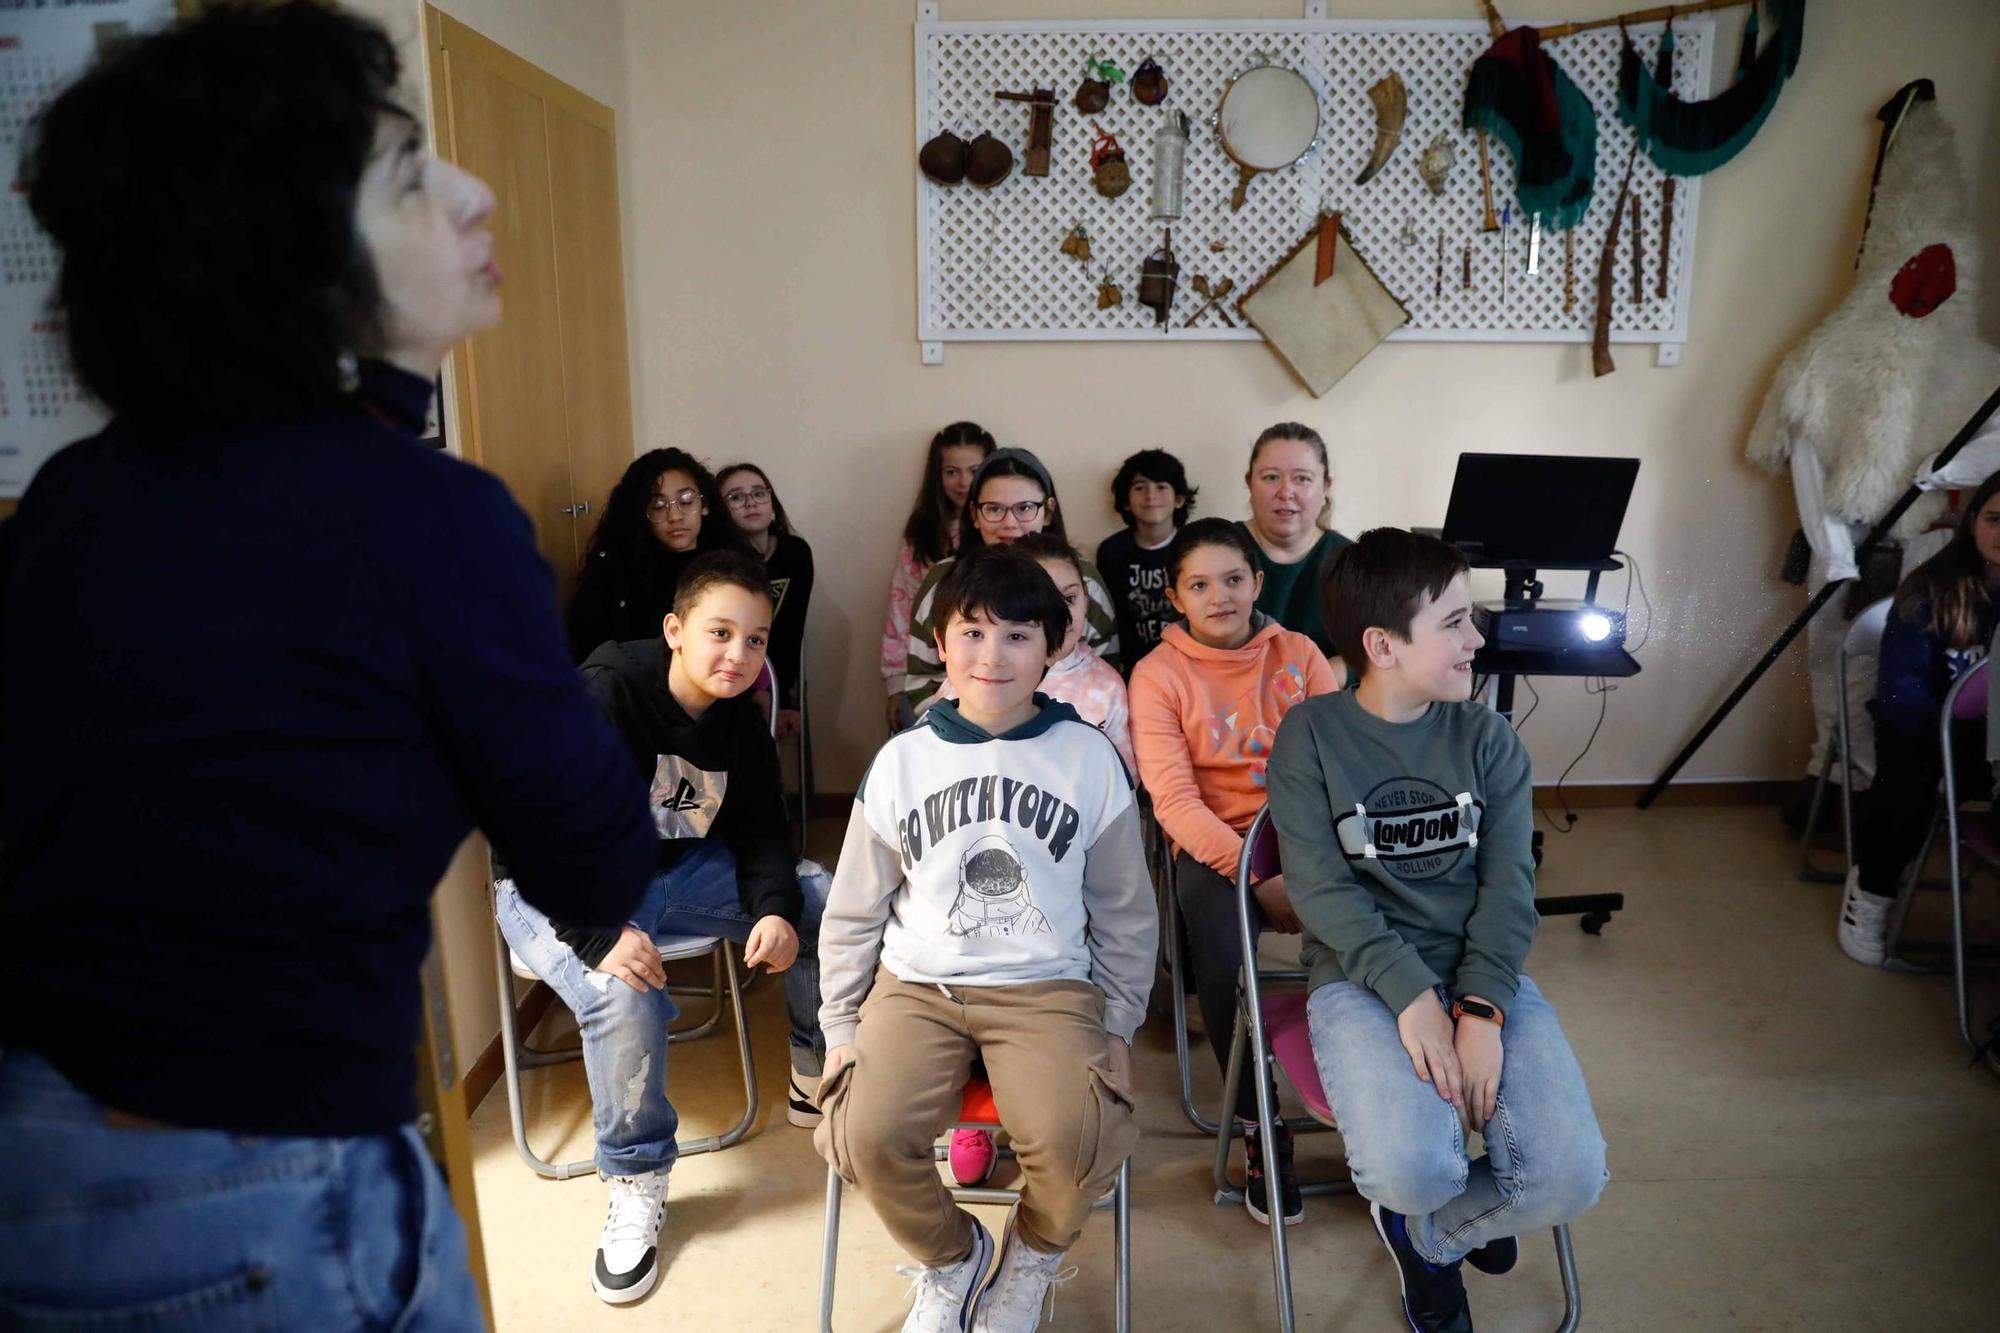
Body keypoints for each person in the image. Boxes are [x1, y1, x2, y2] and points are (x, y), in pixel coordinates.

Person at [0, 4, 656, 1325]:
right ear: (290, 260)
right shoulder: (428, 518)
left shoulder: (74, 493)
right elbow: (594, 863)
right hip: (243, 1187)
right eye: (412, 173)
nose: (474, 195)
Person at [1267, 528, 1607, 1333]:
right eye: (1454, 621)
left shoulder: (1488, 737)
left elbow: (1509, 886)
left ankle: (1430, 1240)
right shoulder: (1310, 735)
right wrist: (1414, 997)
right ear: (1382, 645)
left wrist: (1482, 1006)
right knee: (1416, 1167)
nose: (1478, 638)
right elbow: (1319, 891)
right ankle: (1424, 1213)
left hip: (1479, 972)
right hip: (1360, 980)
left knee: (1570, 1179)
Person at [814, 544, 1156, 1333]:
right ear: (941, 646)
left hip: (1047, 986)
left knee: (1080, 1135)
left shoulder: (1090, 759)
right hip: (919, 986)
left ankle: (1029, 1260)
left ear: (1053, 646)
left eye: (1016, 635)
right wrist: (838, 1026)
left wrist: (1119, 1021)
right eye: (971, 632)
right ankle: (952, 1258)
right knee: (863, 1130)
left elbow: (1127, 910)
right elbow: (855, 910)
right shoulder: (901, 761)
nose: (991, 655)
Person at [499, 552, 827, 1304]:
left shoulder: (739, 720)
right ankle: (637, 1178)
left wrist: (774, 908)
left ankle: (812, 1072)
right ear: (675, 629)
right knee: (621, 991)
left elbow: (761, 834)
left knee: (819, 896)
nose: (739, 655)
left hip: (671, 871)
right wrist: (597, 933)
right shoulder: (606, 693)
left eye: (756, 639)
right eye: (720, 632)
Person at [1128, 518, 1338, 1225]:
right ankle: (1258, 1124)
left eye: (1233, 578)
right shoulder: (1159, 674)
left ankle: (1371, 1090)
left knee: (1378, 919)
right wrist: (1255, 875)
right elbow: (1175, 801)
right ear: (1175, 595)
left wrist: (1301, 865)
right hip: (1217, 848)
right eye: (1199, 584)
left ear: (1256, 581)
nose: (1219, 595)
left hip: (1306, 835)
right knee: (1219, 947)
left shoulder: (1300, 653)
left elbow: (1333, 772)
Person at [932, 531, 1134, 1191]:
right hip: (961, 945)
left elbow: (1113, 837)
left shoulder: (1096, 709)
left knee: (1071, 1125)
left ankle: (1034, 1108)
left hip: (1055, 923)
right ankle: (980, 1097)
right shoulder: (948, 711)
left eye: (1068, 601)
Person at [1837, 472, 2000, 965]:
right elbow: (1901, 696)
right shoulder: (1929, 591)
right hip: (1926, 730)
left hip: (1995, 742)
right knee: (1906, 787)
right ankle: (1870, 892)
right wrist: (1957, 733)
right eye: (1996, 519)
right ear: (1973, 523)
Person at [901, 448, 1119, 717]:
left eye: (1024, 508)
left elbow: (1106, 665)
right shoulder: (944, 580)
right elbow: (920, 682)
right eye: (994, 509)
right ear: (974, 514)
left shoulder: (1081, 581)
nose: (1010, 523)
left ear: (1048, 511)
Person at [567, 447, 741, 662]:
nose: (675, 516)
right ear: (641, 513)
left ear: (704, 505)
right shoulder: (615, 573)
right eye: (658, 506)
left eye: (686, 501)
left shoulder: (731, 566)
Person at [883, 421, 995, 733]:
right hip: (931, 670)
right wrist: (895, 684)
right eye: (951, 472)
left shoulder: (1001, 528)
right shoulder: (922, 533)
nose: (963, 482)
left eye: (974, 470)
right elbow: (900, 612)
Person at [1237, 422, 1353, 663]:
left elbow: (1379, 651)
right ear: (1250, 484)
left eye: (1302, 478)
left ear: (1325, 487)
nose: (1285, 491)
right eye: (1271, 477)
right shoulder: (1214, 550)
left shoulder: (1353, 561)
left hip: (1325, 696)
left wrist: (1332, 673)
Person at [717, 461, 814, 737]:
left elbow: (789, 633)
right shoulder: (718, 561)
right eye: (736, 497)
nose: (750, 503)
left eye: (759, 493)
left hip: (776, 678)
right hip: (729, 678)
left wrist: (782, 700)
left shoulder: (795, 554)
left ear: (772, 505)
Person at [1096, 448, 1197, 677]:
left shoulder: (1195, 546)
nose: (1151, 495)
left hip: (1190, 665)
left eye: (1161, 486)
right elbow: (1112, 618)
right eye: (1140, 487)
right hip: (1135, 669)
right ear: (1126, 502)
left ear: (1179, 498)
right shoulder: (1111, 552)